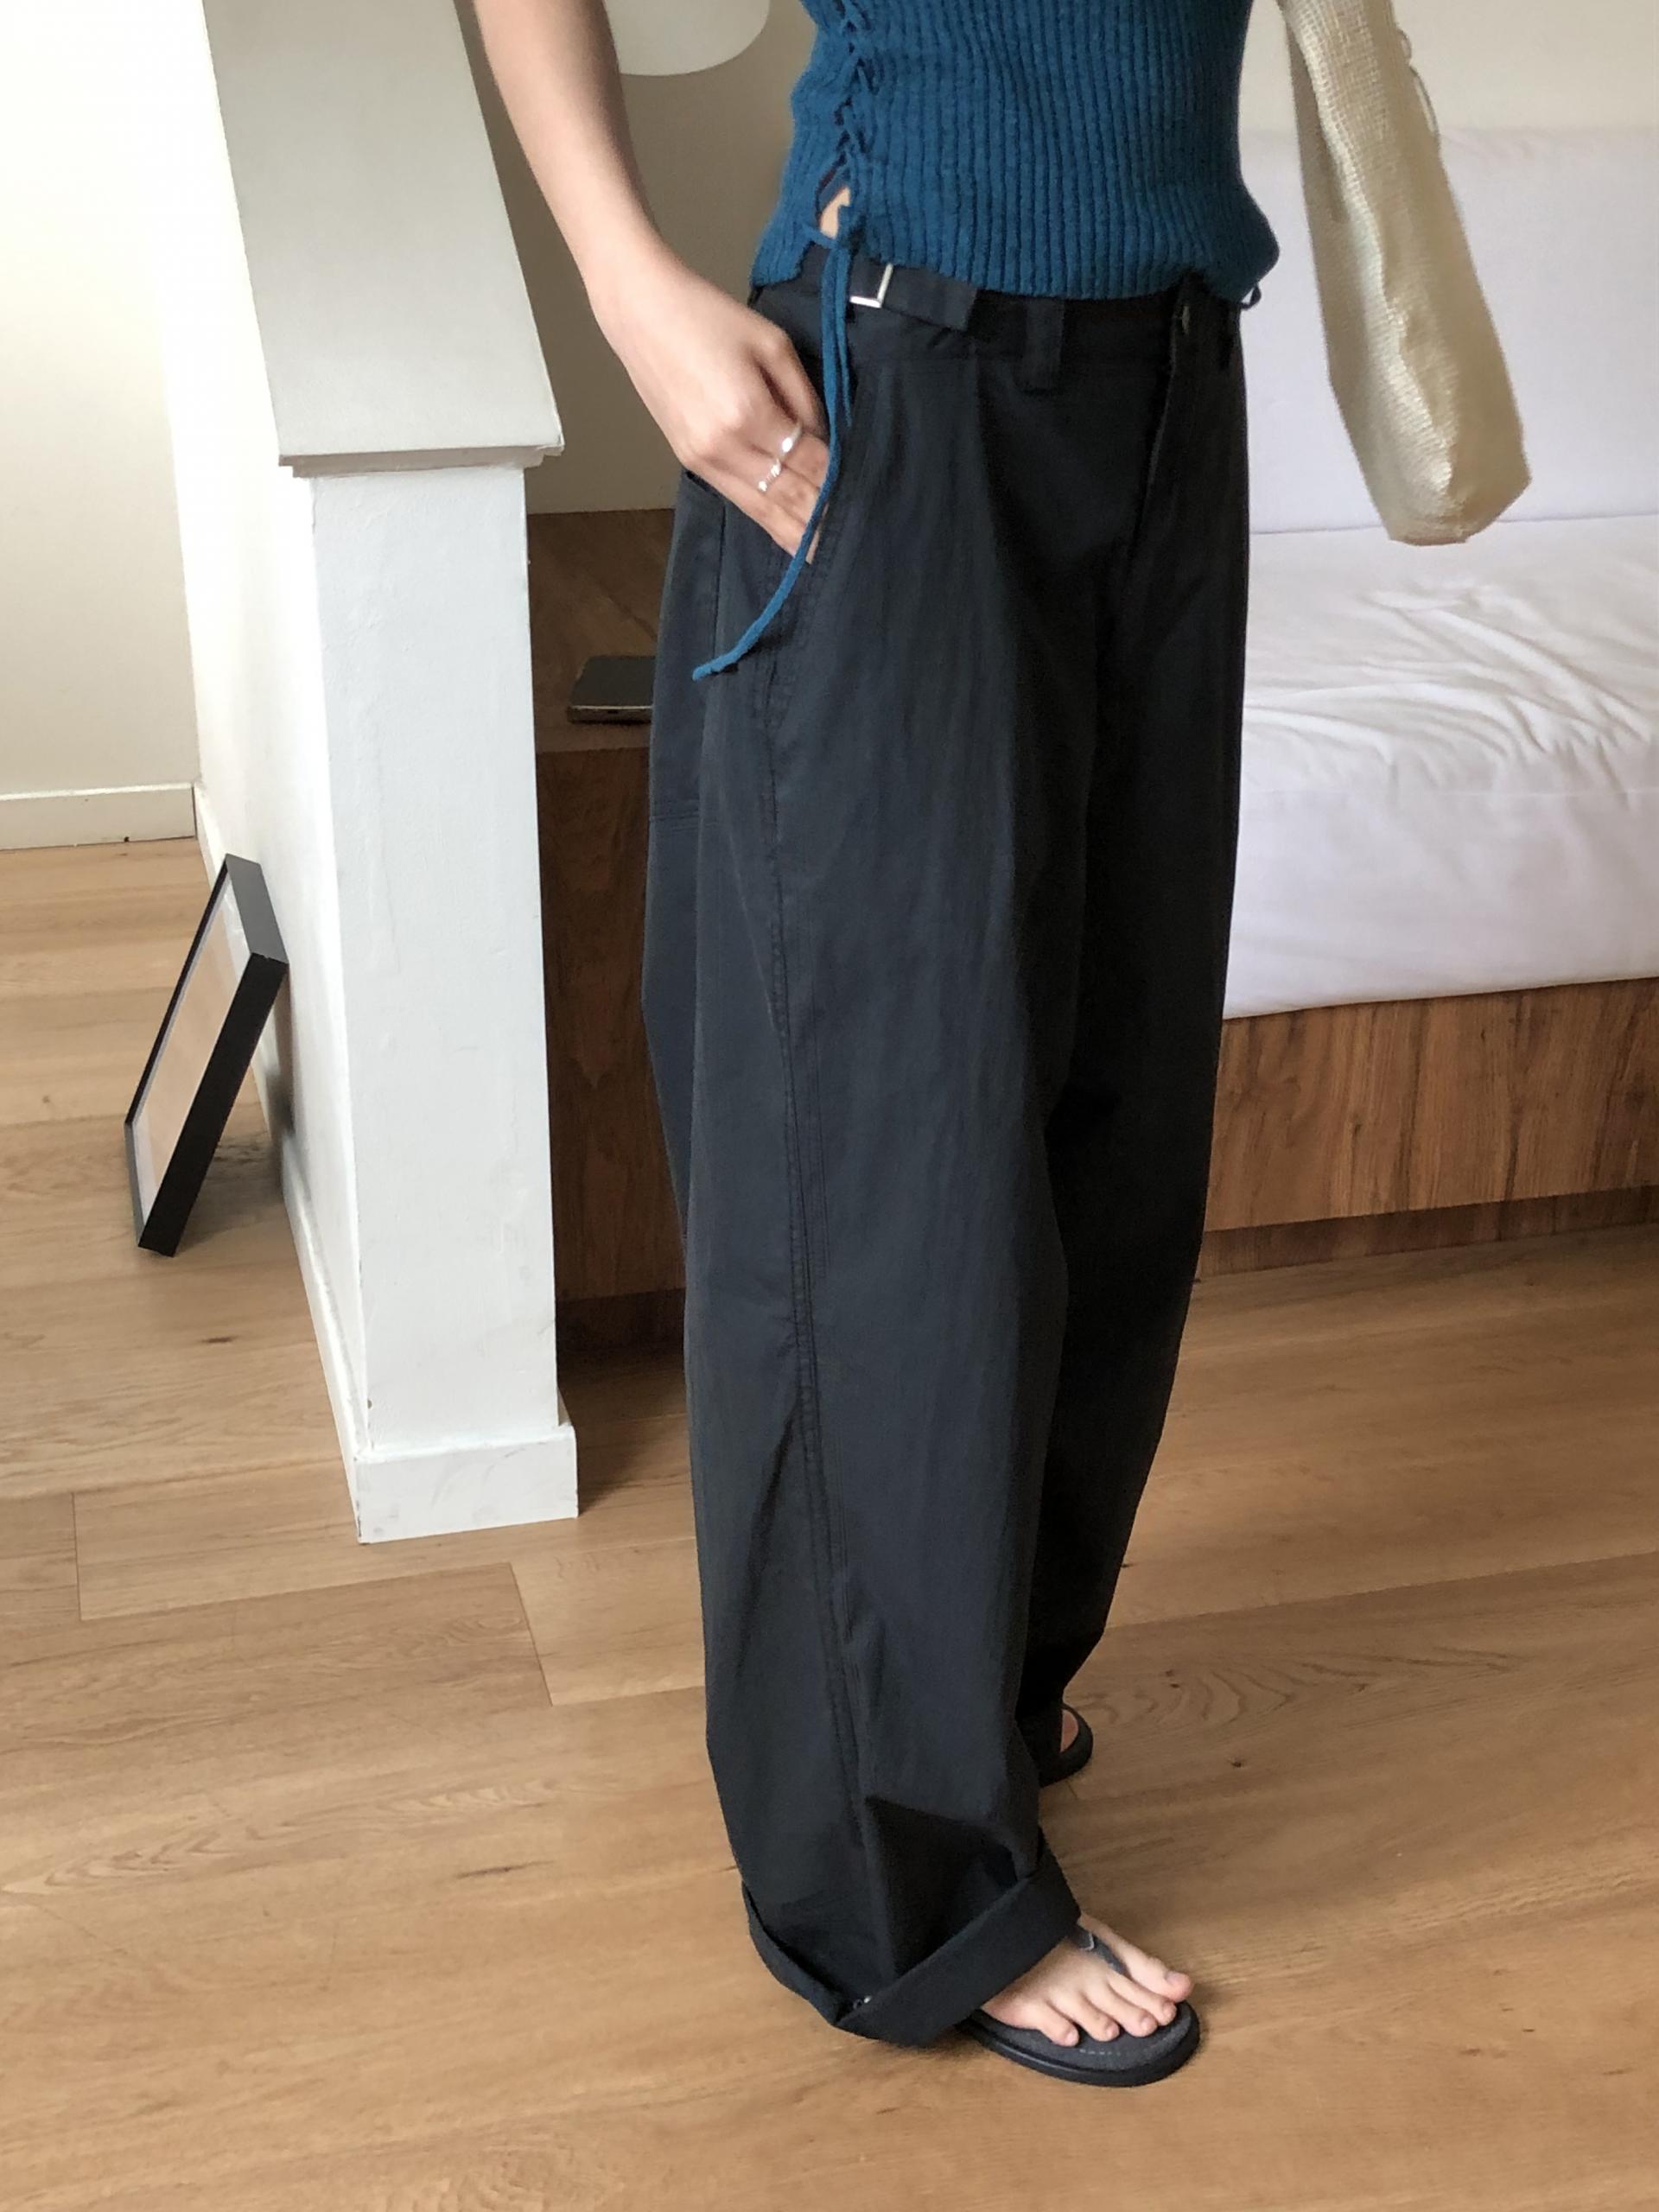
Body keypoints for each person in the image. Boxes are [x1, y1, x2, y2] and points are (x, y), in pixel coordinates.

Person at [476, 0, 1278, 2087]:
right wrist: (625, 284)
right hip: (897, 379)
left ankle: (978, 1694)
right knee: (887, 1178)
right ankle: (893, 1878)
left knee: (1109, 1125)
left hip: (1174, 374)